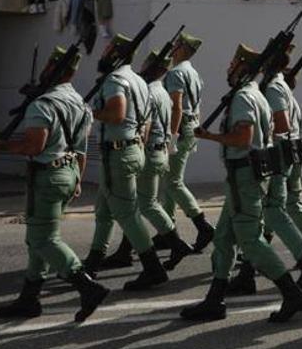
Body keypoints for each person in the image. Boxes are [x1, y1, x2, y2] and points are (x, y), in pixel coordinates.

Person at [181, 44, 302, 323]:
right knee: (224, 239)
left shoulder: (243, 98)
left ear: (245, 68)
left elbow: (243, 138)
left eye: (233, 64)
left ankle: (292, 293)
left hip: (244, 177)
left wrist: (208, 136)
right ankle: (215, 299)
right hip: (244, 177)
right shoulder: (253, 94)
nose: (229, 68)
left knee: (250, 241)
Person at [0, 46, 109, 322]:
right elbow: (81, 149)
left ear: (53, 69)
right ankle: (29, 298)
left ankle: (87, 286)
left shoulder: (43, 104)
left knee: (44, 238)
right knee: (37, 238)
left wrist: (3, 146)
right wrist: (77, 179)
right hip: (67, 174)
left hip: (47, 176)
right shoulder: (80, 104)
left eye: (47, 67)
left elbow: (34, 145)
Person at [80, 35, 168, 292]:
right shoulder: (139, 81)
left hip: (118, 154)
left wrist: (86, 112)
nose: (103, 53)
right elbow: (146, 118)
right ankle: (93, 262)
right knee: (104, 211)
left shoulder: (115, 79)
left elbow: (116, 114)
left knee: (128, 215)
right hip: (130, 151)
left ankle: (153, 268)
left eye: (108, 49)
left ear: (116, 54)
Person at [241, 45, 302, 294]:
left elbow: (282, 125)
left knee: (274, 210)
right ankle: (248, 269)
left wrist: (262, 139)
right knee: (268, 212)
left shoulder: (275, 88)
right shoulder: (280, 86)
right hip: (283, 155)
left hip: (277, 155)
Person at [132, 51, 196, 269]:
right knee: (148, 201)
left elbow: (146, 127)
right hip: (160, 151)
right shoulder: (162, 91)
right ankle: (173, 242)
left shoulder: (149, 92)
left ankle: (177, 242)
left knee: (148, 202)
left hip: (150, 151)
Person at [161, 33, 214, 251]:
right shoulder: (193, 73)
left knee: (173, 182)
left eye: (176, 45)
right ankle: (168, 228)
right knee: (170, 180)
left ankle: (202, 225)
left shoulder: (176, 73)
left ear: (182, 49)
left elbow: (176, 106)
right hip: (189, 128)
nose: (172, 47)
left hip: (179, 130)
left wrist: (172, 136)